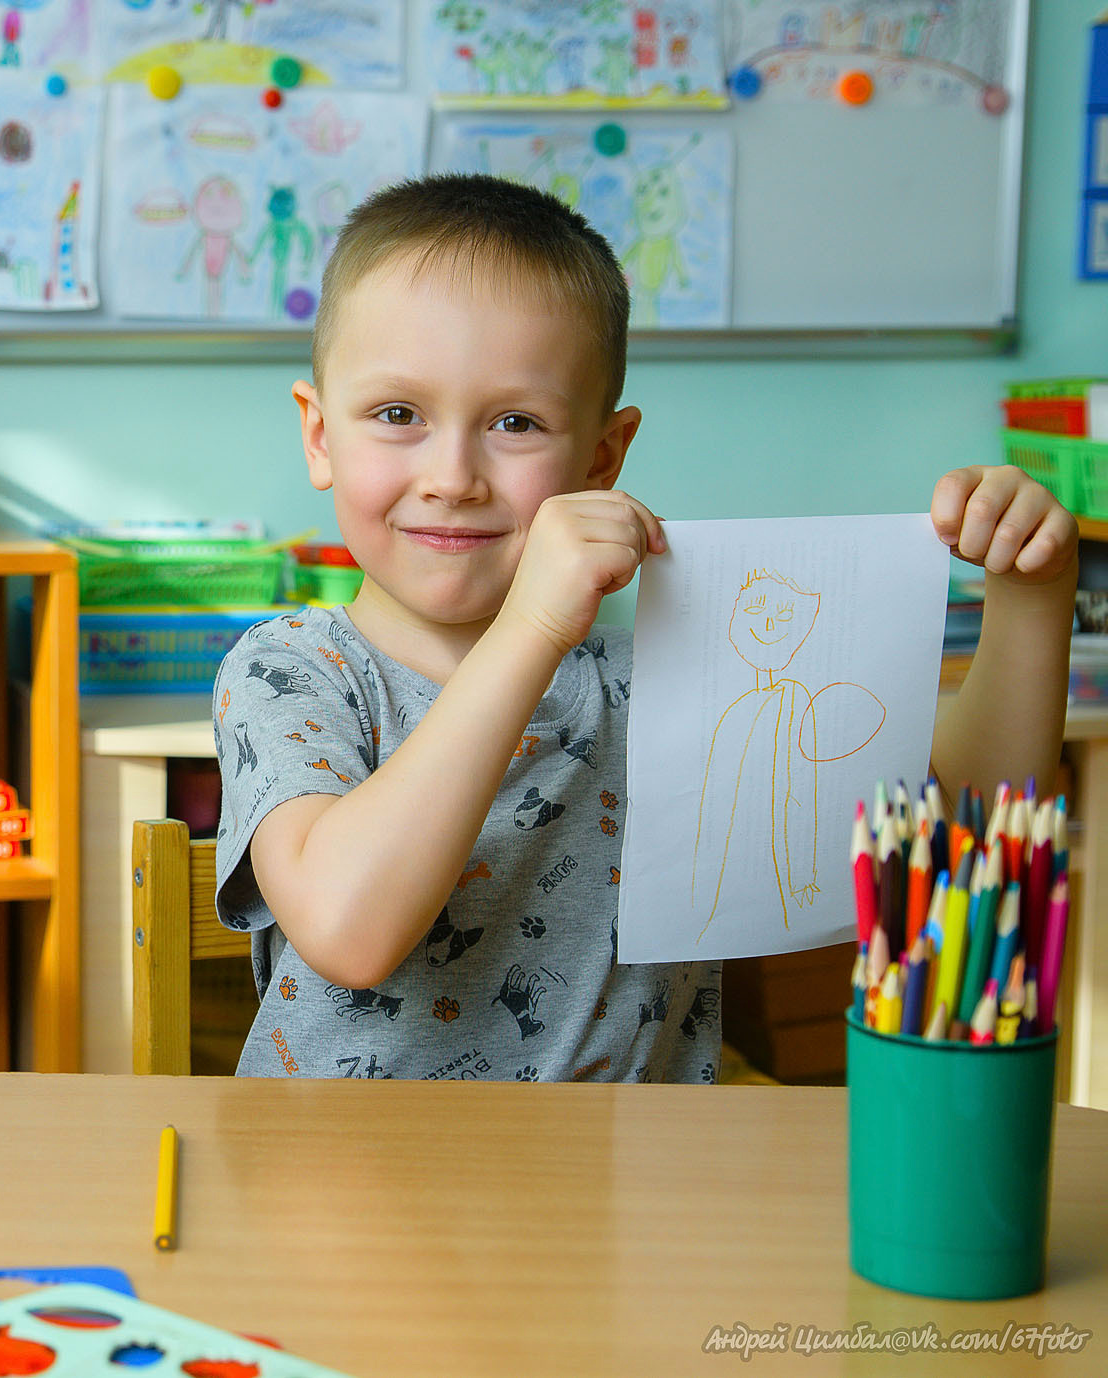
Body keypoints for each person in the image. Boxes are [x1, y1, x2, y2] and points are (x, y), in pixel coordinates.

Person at [212, 173, 1076, 1081]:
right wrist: (534, 626)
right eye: (398, 415)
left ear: (601, 457)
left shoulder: (665, 674)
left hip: (630, 1195)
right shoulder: (290, 672)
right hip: (349, 1197)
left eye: (515, 421)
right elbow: (351, 932)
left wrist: (1033, 593)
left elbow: (960, 826)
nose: (453, 475)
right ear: (319, 435)